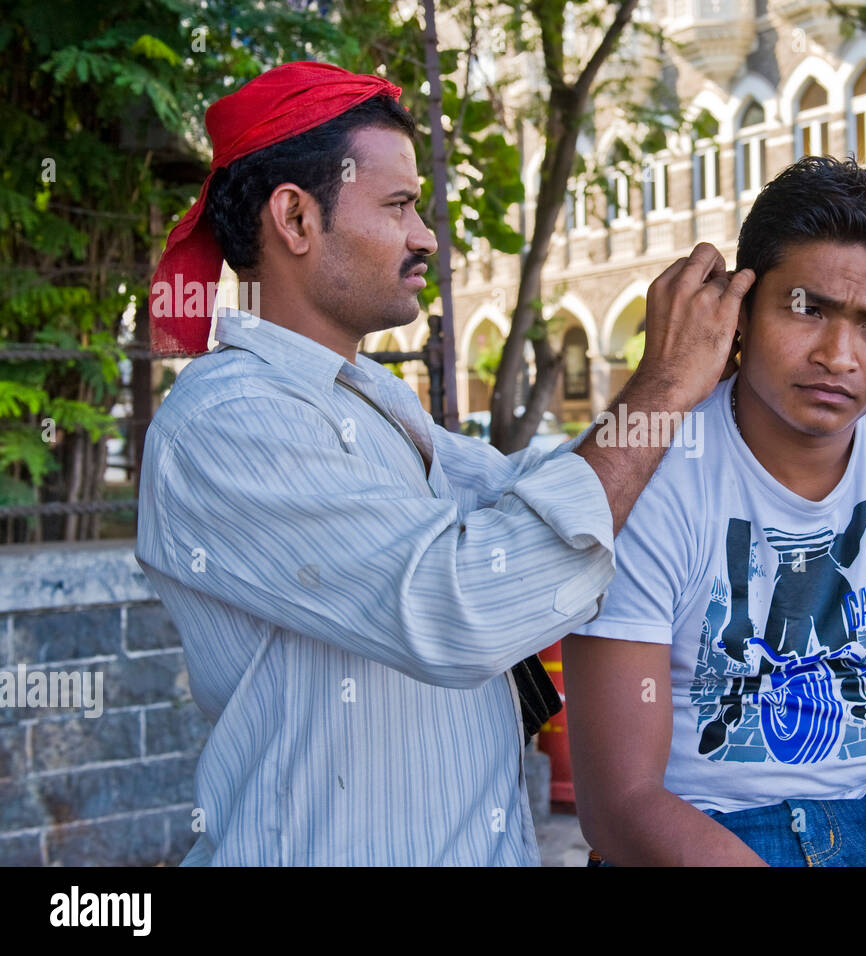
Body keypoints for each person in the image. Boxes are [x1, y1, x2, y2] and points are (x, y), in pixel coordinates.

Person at [133, 61, 754, 865]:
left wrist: (714, 390)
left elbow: (529, 488)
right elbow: (461, 604)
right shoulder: (229, 421)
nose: (426, 235)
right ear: (295, 217)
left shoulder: (367, 400)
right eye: (398, 206)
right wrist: (663, 386)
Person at [563, 155, 866, 867]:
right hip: (703, 834)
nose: (840, 355)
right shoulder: (641, 470)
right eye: (808, 311)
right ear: (740, 314)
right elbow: (622, 803)